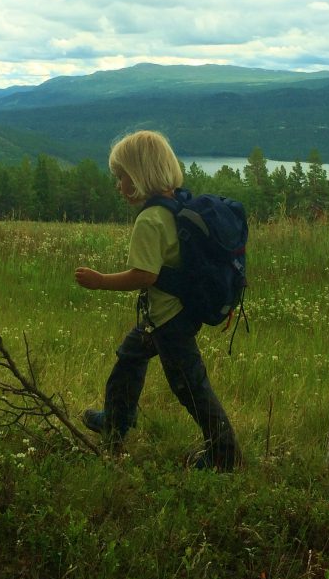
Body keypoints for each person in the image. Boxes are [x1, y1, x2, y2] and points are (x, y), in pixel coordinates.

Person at [74, 130, 241, 471]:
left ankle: (226, 454)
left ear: (138, 177)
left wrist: (99, 281)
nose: (119, 185)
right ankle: (116, 421)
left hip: (168, 321)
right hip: (173, 313)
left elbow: (143, 276)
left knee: (190, 387)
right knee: (130, 357)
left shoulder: (150, 220)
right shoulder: (177, 204)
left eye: (121, 177)